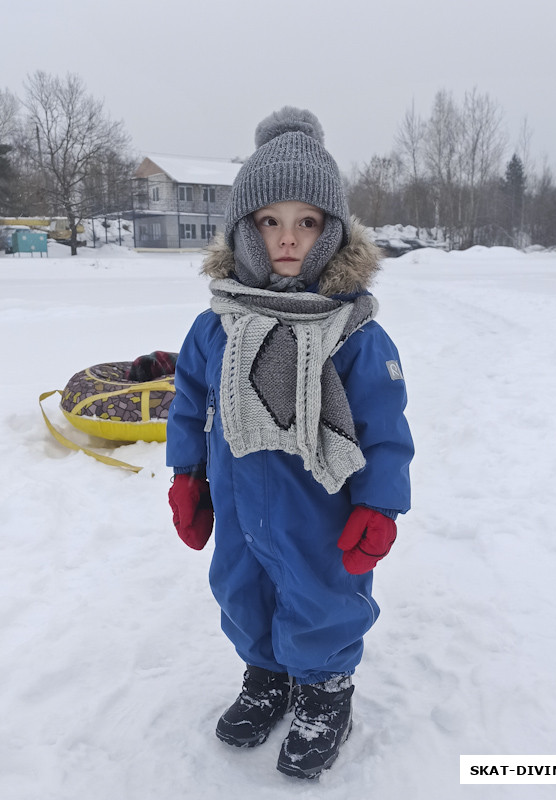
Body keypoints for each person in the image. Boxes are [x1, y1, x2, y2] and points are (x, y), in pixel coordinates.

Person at [166, 107, 414, 780]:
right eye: (270, 221)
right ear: (245, 228)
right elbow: (190, 405)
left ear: (330, 230)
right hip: (240, 502)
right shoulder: (214, 326)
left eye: (306, 222)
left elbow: (385, 429)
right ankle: (266, 674)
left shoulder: (354, 334)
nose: (287, 239)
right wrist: (187, 476)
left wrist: (380, 506)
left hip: (322, 507)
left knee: (321, 595)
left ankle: (324, 692)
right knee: (240, 590)